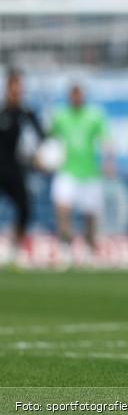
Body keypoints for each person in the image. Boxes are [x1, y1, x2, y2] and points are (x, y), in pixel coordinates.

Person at [50, 83, 113, 268]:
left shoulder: (94, 116)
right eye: (73, 94)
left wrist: (108, 161)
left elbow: (105, 139)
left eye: (79, 94)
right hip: (67, 171)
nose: (76, 98)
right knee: (62, 207)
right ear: (69, 96)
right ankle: (65, 248)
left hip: (89, 172)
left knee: (90, 215)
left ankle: (89, 249)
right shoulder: (60, 116)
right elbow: (50, 140)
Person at [0, 69, 45, 268]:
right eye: (13, 87)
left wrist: (39, 155)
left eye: (19, 88)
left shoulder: (25, 113)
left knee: (25, 207)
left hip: (13, 168)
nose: (16, 92)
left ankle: (15, 248)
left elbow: (42, 135)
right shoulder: (2, 112)